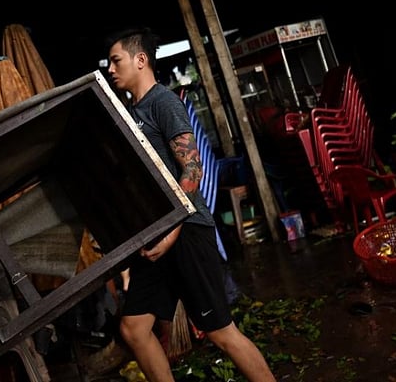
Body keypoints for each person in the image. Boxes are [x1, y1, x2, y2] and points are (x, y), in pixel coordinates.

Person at [105, 27, 276, 382]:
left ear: (141, 59)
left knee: (219, 332)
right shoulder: (131, 111)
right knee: (134, 329)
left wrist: (171, 231)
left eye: (115, 60)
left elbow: (192, 169)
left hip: (186, 231)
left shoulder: (162, 102)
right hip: (158, 239)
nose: (110, 69)